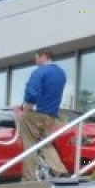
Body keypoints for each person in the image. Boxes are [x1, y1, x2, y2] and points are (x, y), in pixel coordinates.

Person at [17, 48, 69, 180]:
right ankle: (59, 169)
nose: (35, 61)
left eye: (36, 58)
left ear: (44, 56)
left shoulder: (40, 71)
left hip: (35, 115)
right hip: (51, 115)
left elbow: (32, 95)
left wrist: (23, 111)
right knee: (46, 143)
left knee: (29, 144)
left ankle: (29, 177)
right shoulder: (61, 73)